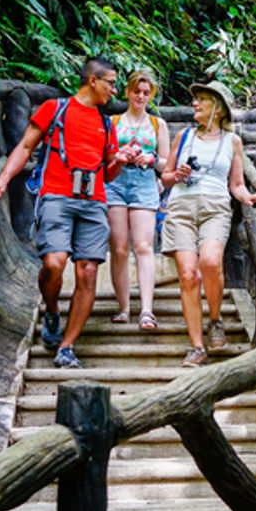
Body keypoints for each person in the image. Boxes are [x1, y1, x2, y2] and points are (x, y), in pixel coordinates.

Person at [0, 56, 133, 369]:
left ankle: (67, 346)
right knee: (54, 262)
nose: (114, 90)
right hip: (57, 196)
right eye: (111, 83)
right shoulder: (55, 109)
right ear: (92, 81)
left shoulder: (106, 123)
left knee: (87, 271)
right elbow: (24, 147)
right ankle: (51, 309)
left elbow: (109, 173)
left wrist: (122, 160)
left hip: (94, 201)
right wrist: (3, 179)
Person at [159, 81, 256, 368]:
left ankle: (216, 319)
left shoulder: (233, 141)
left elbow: (236, 184)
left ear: (217, 108)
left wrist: (249, 197)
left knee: (210, 262)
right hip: (181, 207)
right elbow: (165, 178)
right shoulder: (183, 136)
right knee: (187, 274)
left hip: (215, 208)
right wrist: (177, 175)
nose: (195, 104)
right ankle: (196, 347)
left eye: (202, 100)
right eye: (195, 99)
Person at [105, 69, 169, 329]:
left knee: (143, 245)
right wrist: (121, 155)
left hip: (144, 183)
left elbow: (167, 164)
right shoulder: (113, 122)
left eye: (146, 93)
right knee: (119, 248)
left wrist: (151, 159)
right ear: (128, 91)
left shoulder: (157, 124)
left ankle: (146, 310)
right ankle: (123, 307)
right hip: (116, 182)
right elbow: (105, 159)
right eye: (136, 91)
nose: (141, 96)